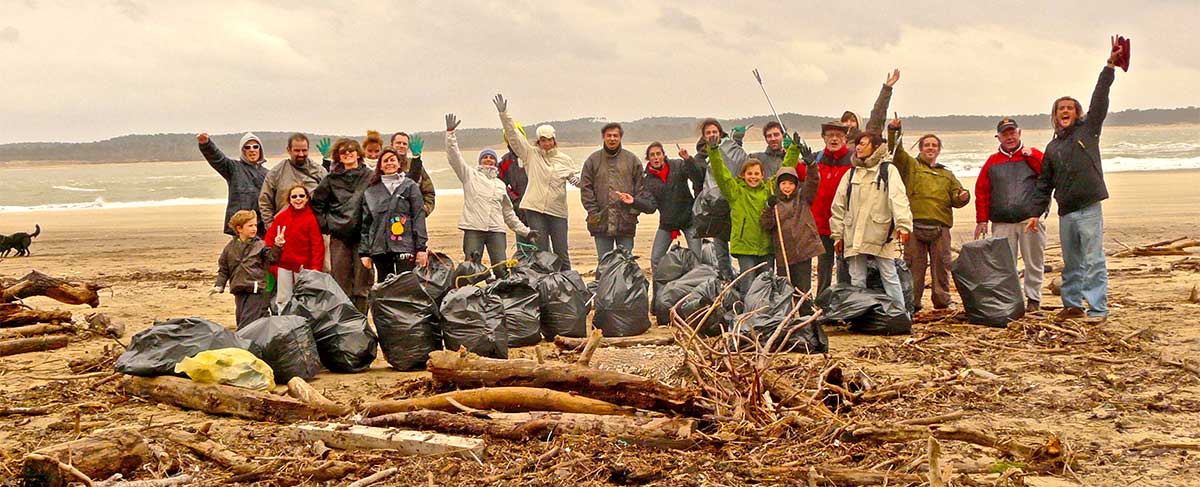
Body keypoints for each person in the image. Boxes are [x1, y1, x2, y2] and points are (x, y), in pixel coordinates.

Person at [1027, 39, 1124, 322]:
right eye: (1061, 109)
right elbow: (1045, 183)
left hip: (1090, 207)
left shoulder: (1089, 131)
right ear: (1055, 117)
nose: (1066, 111)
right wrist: (1036, 213)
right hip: (1066, 211)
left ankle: (1097, 309)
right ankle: (1072, 305)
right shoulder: (1052, 147)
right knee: (1072, 263)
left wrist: (1109, 67)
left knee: (1093, 260)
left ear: (1078, 113)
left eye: (1070, 108)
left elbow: (1100, 99)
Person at [887, 118, 970, 312]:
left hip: (940, 228)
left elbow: (957, 198)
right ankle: (913, 302)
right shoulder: (910, 166)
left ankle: (942, 301)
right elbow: (896, 151)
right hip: (914, 225)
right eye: (927, 145)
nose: (930, 148)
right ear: (920, 148)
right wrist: (894, 130)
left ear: (939, 150)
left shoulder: (947, 174)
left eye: (934, 145)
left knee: (942, 267)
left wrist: (963, 196)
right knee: (914, 267)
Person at [443, 113, 537, 276]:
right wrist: (450, 134)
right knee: (471, 270)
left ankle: (503, 299)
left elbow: (508, 214)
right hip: (474, 229)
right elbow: (454, 157)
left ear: (495, 162)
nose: (488, 160)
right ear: (480, 161)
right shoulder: (469, 176)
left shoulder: (500, 185)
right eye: (485, 157)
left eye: (491, 158)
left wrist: (526, 232)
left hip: (496, 231)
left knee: (502, 270)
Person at [493, 94, 579, 270]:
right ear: (538, 141)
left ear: (554, 140)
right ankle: (544, 287)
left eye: (549, 140)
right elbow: (514, 136)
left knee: (561, 252)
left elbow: (576, 178)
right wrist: (504, 115)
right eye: (543, 140)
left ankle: (569, 286)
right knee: (541, 252)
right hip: (535, 210)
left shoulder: (565, 159)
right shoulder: (530, 155)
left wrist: (578, 180)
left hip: (558, 211)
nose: (546, 143)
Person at [830, 132, 913, 310]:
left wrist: (903, 226)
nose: (858, 147)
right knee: (857, 277)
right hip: (854, 233)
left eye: (863, 144)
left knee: (889, 274)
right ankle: (859, 314)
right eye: (857, 144)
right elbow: (838, 206)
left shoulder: (888, 170)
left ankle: (899, 313)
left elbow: (898, 199)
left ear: (875, 147)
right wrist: (837, 235)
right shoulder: (851, 173)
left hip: (881, 233)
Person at [975, 118, 1046, 313]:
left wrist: (1030, 156)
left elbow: (1047, 178)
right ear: (998, 137)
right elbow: (982, 191)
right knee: (1004, 265)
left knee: (1034, 262)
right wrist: (981, 220)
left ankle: (1033, 299)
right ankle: (1009, 300)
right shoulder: (992, 162)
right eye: (1005, 133)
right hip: (1001, 221)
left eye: (1012, 132)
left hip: (1029, 220)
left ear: (1019, 133)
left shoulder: (1033, 155)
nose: (1009, 137)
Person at [707, 142, 792, 292]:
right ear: (743, 175)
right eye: (750, 174)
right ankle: (747, 313)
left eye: (756, 174)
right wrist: (713, 152)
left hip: (766, 247)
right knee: (748, 285)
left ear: (762, 175)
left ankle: (764, 312)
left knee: (766, 285)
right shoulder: (735, 192)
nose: (753, 177)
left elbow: (785, 171)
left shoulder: (769, 189)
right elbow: (721, 175)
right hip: (745, 248)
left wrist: (794, 149)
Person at [311, 138, 375, 312]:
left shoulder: (369, 176)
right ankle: (346, 324)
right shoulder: (331, 179)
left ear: (358, 153)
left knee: (363, 283)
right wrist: (327, 225)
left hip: (364, 237)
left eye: (351, 150)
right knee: (341, 282)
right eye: (343, 152)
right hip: (339, 236)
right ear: (338, 156)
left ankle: (361, 320)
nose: (347, 153)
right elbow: (316, 203)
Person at [681, 118, 749, 278]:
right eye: (708, 133)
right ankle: (726, 277)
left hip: (733, 202)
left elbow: (738, 162)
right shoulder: (699, 158)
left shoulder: (729, 148)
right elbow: (698, 178)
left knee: (740, 242)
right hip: (713, 207)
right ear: (703, 136)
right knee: (720, 245)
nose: (712, 135)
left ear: (720, 133)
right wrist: (688, 161)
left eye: (714, 132)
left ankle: (745, 275)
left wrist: (738, 141)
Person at [760, 137, 822, 306]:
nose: (787, 187)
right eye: (784, 183)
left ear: (796, 185)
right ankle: (787, 315)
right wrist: (768, 208)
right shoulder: (774, 202)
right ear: (779, 185)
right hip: (783, 254)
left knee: (803, 288)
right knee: (786, 289)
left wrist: (811, 166)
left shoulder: (803, 198)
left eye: (790, 183)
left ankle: (807, 314)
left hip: (803, 251)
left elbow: (813, 182)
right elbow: (766, 225)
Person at [359, 148, 429, 281]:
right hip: (380, 248)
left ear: (398, 164)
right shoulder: (371, 190)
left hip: (405, 245)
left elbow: (418, 217)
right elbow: (366, 224)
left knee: (406, 284)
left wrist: (421, 248)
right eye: (385, 161)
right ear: (380, 165)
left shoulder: (410, 186)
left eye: (392, 160)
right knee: (384, 286)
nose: (389, 163)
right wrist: (364, 252)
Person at [635, 142, 704, 273]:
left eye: (658, 154)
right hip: (667, 222)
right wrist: (634, 201)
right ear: (648, 159)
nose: (656, 157)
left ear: (663, 155)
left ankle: (698, 289)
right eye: (652, 155)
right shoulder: (648, 179)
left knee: (696, 259)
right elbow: (651, 207)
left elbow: (697, 178)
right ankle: (658, 292)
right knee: (656, 259)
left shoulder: (677, 165)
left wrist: (688, 160)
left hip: (689, 219)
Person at [580, 122, 645, 260]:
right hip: (601, 221)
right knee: (604, 263)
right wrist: (594, 212)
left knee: (626, 262)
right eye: (609, 135)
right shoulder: (592, 160)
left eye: (615, 135)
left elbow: (641, 188)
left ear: (620, 137)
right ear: (603, 137)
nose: (612, 139)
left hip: (626, 221)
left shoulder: (632, 160)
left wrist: (633, 211)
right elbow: (586, 189)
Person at [211, 210, 283, 329]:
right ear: (239, 229)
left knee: (249, 322)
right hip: (239, 289)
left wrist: (278, 246)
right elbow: (224, 270)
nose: (254, 228)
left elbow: (272, 259)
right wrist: (219, 285)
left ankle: (245, 341)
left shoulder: (260, 245)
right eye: (250, 226)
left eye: (255, 225)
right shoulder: (229, 248)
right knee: (242, 318)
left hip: (256, 289)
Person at [263, 184, 324, 310]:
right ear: (289, 200)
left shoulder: (311, 219)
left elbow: (317, 246)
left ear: (307, 198)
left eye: (301, 196)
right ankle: (283, 325)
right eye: (294, 196)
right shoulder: (281, 217)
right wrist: (272, 266)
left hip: (303, 268)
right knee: (283, 299)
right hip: (283, 266)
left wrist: (315, 269)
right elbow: (268, 241)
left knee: (303, 299)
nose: (298, 199)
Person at [811, 121, 854, 293]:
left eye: (838, 136)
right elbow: (797, 173)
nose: (834, 139)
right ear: (823, 138)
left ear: (845, 138)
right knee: (824, 266)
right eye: (830, 135)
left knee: (844, 266)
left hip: (844, 223)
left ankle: (844, 301)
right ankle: (822, 300)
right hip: (821, 223)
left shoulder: (852, 160)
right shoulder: (817, 158)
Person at [197, 132, 268, 237]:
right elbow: (218, 159)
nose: (252, 149)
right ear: (242, 151)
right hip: (241, 227)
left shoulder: (268, 174)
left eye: (255, 146)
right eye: (247, 147)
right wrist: (206, 144)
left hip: (262, 226)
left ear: (260, 149)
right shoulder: (234, 168)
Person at [259, 133, 328, 230]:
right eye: (297, 150)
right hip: (284, 229)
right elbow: (265, 202)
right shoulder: (276, 172)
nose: (301, 154)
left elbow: (329, 200)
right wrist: (271, 227)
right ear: (288, 150)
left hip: (313, 229)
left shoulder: (319, 171)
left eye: (304, 150)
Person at [844, 69, 901, 144]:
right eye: (845, 121)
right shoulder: (834, 144)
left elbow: (877, 115)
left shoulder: (865, 142)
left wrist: (886, 89)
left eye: (852, 121)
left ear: (859, 124)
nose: (848, 124)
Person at [390, 131, 437, 216]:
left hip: (413, 217)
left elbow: (429, 192)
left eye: (404, 144)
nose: (401, 146)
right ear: (391, 145)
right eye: (398, 143)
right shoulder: (386, 165)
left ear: (408, 147)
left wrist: (424, 210)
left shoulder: (416, 165)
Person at [498, 123, 531, 243]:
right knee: (523, 242)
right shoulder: (505, 162)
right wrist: (514, 199)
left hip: (537, 205)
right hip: (519, 206)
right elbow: (499, 183)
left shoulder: (532, 155)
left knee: (541, 242)